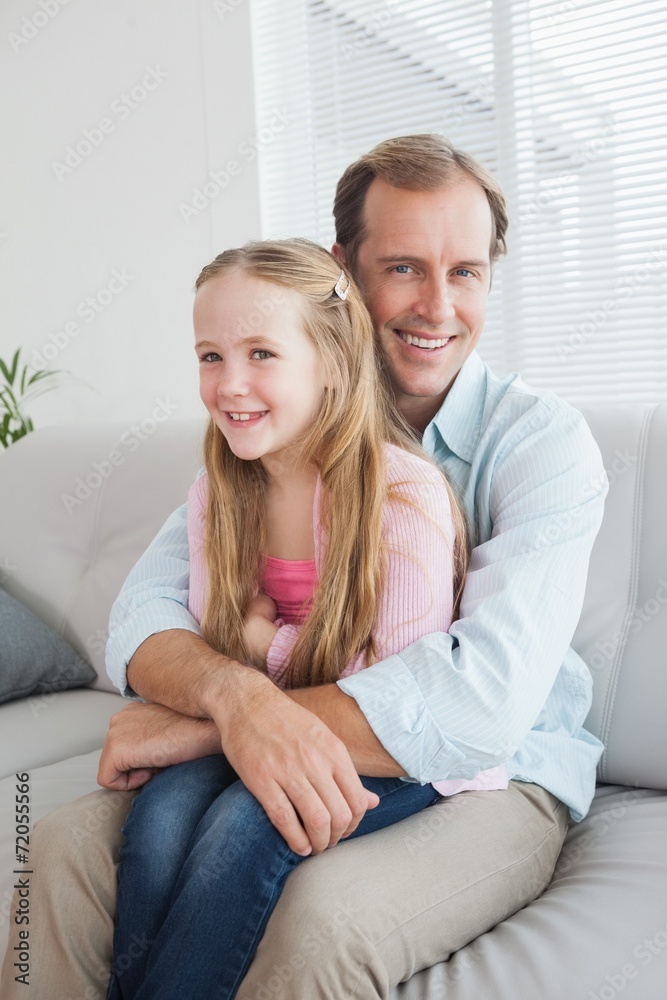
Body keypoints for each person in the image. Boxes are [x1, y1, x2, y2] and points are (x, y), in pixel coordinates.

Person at [0, 134, 607, 1000]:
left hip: (500, 774)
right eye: (402, 267)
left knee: (317, 925)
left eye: (465, 272)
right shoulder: (267, 433)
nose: (436, 306)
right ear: (341, 272)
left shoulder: (540, 445)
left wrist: (221, 716)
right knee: (56, 849)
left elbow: (477, 710)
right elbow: (141, 622)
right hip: (309, 731)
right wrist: (236, 700)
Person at [107, 237, 506, 999]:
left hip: (400, 752)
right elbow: (213, 646)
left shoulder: (401, 495)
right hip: (291, 721)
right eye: (209, 356)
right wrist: (242, 667)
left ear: (329, 360)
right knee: (157, 825)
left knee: (241, 830)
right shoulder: (217, 493)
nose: (229, 385)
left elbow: (388, 695)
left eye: (261, 353)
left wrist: (267, 644)